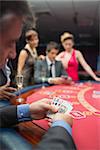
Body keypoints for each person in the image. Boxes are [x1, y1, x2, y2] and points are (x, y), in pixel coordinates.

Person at [0, 1, 76, 150]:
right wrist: (20, 87)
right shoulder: (23, 52)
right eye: (10, 42)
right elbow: (20, 70)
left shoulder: (35, 53)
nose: (13, 53)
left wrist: (26, 110)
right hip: (25, 82)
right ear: (29, 40)